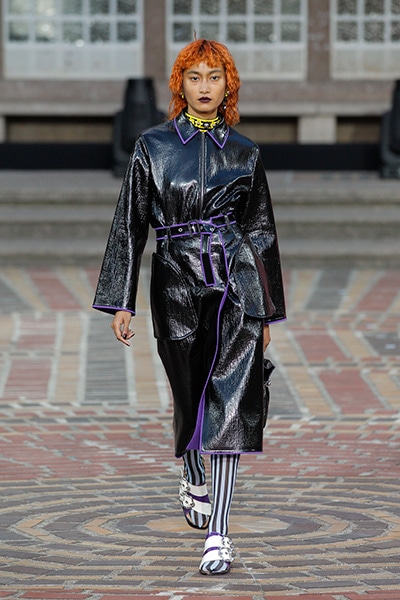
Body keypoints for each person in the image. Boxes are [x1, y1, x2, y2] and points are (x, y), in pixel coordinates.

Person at [93, 38, 286, 575]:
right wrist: (121, 300)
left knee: (230, 403)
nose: (204, 86)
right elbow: (130, 222)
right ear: (180, 84)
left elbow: (262, 232)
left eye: (214, 77)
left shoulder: (245, 152)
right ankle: (193, 471)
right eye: (194, 76)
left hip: (236, 281)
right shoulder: (152, 146)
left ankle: (219, 534)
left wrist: (267, 311)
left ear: (229, 86)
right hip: (175, 280)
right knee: (189, 394)